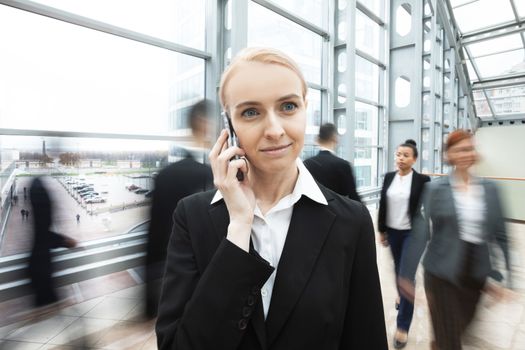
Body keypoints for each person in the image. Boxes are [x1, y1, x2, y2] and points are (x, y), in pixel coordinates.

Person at [155, 47, 387, 350]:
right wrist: (238, 226)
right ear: (229, 126)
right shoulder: (192, 216)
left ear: (306, 108)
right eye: (251, 112)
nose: (275, 130)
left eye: (288, 107)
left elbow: (365, 339)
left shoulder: (351, 221)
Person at [399, 130, 512, 350]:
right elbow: (421, 232)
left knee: (462, 327)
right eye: (458, 150)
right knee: (451, 340)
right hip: (441, 272)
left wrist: (505, 279)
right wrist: (406, 274)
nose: (464, 154)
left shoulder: (491, 190)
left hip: (476, 273)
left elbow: (501, 235)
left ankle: (439, 342)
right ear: (448, 155)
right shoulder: (434, 189)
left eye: (469, 148)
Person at [145, 100, 214, 318]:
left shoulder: (165, 175)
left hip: (166, 271)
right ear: (204, 124)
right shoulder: (208, 176)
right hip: (197, 280)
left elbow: (154, 234)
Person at [377, 139, 430, 348]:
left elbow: (430, 209)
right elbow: (383, 204)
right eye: (398, 154)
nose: (400, 158)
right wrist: (381, 229)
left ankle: (402, 327)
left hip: (413, 234)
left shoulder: (422, 181)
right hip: (393, 232)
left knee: (406, 277)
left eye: (405, 155)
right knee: (398, 270)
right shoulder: (389, 177)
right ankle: (402, 295)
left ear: (414, 159)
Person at [29, 177, 77, 306]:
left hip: (38, 268)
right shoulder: (43, 228)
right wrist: (67, 242)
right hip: (42, 270)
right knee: (48, 303)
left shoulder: (39, 224)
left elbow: (44, 235)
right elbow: (46, 236)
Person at [303, 123, 361, 202]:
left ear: (318, 139)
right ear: (335, 138)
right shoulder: (343, 165)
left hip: (312, 212)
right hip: (337, 213)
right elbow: (354, 198)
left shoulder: (306, 163)